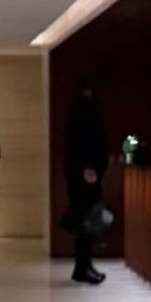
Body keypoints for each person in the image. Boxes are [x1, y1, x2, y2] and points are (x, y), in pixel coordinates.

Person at [60, 82, 110, 285]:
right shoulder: (83, 117)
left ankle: (84, 265)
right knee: (85, 223)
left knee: (86, 222)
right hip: (86, 177)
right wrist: (88, 167)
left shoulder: (79, 115)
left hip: (83, 176)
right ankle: (83, 266)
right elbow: (84, 145)